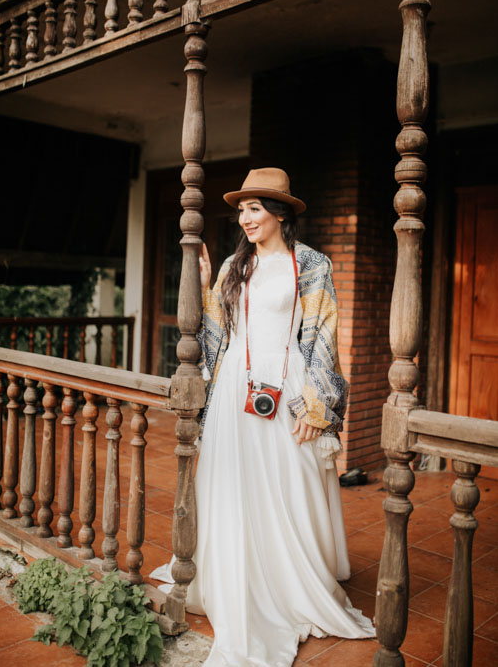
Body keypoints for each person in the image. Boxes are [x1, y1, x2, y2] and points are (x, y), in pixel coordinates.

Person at [151, 168, 375, 666]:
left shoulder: (310, 264)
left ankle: (290, 581)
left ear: (280, 213)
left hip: (287, 383)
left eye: (254, 209)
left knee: (290, 484)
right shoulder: (235, 264)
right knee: (233, 484)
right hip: (235, 385)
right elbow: (217, 330)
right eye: (241, 211)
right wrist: (206, 284)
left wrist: (318, 404)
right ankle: (236, 575)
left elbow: (324, 335)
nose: (245, 219)